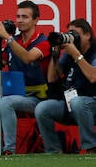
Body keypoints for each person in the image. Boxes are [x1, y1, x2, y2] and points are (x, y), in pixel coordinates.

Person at [0, 1, 50, 155]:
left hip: (37, 98)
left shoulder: (44, 42)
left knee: (6, 102)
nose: (19, 20)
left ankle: (9, 150)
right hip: (14, 93)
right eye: (18, 16)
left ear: (36, 20)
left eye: (25, 17)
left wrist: (7, 37)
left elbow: (28, 57)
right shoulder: (14, 40)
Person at [35, 19, 96, 154]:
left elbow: (93, 77)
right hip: (71, 104)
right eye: (70, 34)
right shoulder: (69, 55)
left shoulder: (92, 52)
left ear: (88, 35)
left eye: (76, 34)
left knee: (78, 102)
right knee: (43, 108)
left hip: (91, 103)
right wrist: (55, 54)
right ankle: (54, 151)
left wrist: (76, 55)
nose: (72, 38)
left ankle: (91, 147)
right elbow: (52, 78)